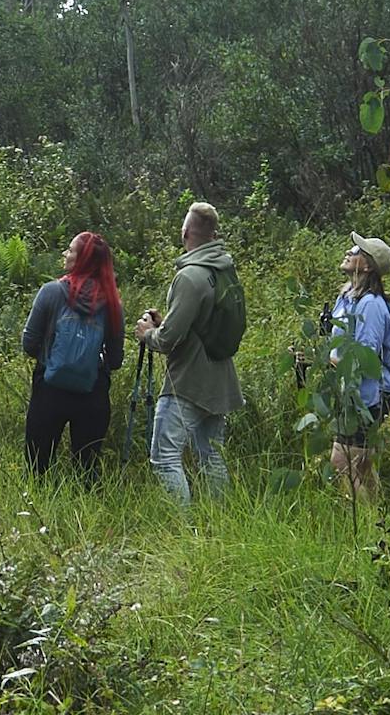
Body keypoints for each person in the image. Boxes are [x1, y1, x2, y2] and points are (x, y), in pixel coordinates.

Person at [133, 200, 246, 504]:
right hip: (220, 378)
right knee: (211, 455)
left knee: (164, 457)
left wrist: (148, 334)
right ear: (213, 234)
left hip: (187, 383)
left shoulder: (189, 276)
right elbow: (201, 322)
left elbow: (168, 340)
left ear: (185, 233)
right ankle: (219, 520)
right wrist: (164, 323)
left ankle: (183, 529)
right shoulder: (224, 269)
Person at [20, 231, 124, 476]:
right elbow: (116, 359)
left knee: (37, 467)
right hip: (93, 391)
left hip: (49, 386)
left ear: (81, 260)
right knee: (87, 470)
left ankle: (36, 509)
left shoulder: (51, 292)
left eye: (70, 250)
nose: (65, 254)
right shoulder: (112, 304)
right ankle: (89, 513)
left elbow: (29, 343)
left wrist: (54, 359)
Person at [325, 233, 390, 501]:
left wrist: (327, 361)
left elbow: (365, 359)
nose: (348, 251)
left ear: (367, 266)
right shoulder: (346, 298)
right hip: (351, 393)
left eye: (356, 250)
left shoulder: (371, 306)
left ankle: (364, 529)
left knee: (342, 463)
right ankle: (377, 522)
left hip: (367, 397)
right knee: (363, 465)